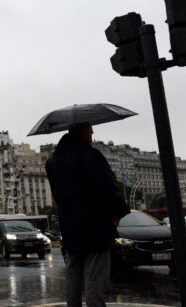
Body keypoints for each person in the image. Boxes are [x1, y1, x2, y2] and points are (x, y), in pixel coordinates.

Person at [45, 122, 130, 307]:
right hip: (94, 223)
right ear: (82, 133)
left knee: (73, 271)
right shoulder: (91, 156)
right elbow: (108, 187)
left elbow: (56, 193)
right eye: (90, 133)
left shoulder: (52, 161)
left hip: (68, 223)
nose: (91, 137)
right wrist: (118, 211)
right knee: (95, 276)